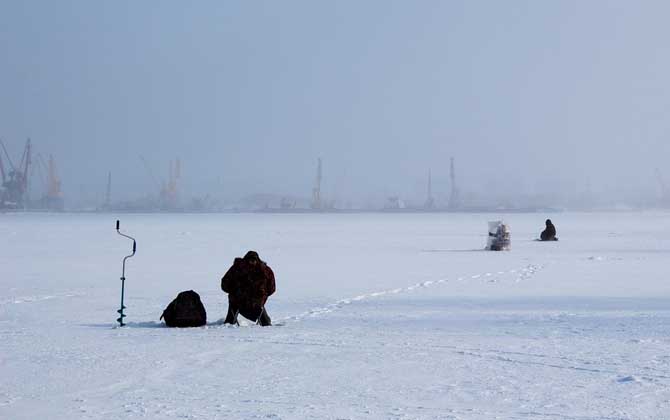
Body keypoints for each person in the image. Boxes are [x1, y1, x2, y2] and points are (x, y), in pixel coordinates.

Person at [221, 251, 275, 326]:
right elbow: (225, 284)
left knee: (263, 319)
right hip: (244, 302)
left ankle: (230, 322)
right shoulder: (237, 268)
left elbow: (271, 288)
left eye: (253, 260)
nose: (252, 262)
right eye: (250, 260)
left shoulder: (265, 271)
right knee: (262, 317)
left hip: (251, 302)